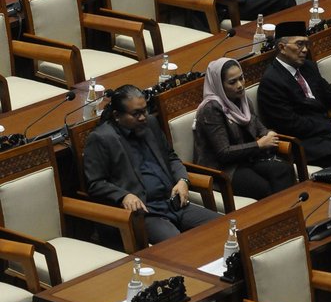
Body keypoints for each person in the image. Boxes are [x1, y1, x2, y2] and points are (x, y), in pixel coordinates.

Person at [83, 84, 219, 244]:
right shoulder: (102, 138)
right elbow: (95, 183)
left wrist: (183, 180)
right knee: (179, 246)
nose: (142, 117)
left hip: (173, 202)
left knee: (221, 227)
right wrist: (124, 195)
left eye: (144, 111)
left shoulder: (151, 123)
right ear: (117, 115)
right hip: (145, 212)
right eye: (136, 114)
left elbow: (171, 157)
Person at [257, 21, 331, 166]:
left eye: (306, 44)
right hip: (306, 143)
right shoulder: (271, 82)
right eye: (299, 44)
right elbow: (291, 124)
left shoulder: (307, 67)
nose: (305, 50)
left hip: (329, 134)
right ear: (282, 47)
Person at [194, 58, 295, 199]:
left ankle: (290, 214)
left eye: (241, 78)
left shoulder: (242, 100)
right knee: (262, 188)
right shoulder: (211, 109)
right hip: (223, 169)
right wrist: (259, 145)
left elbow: (259, 127)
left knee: (284, 170)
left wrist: (268, 133)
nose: (240, 85)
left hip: (247, 159)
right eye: (232, 82)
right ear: (219, 85)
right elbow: (223, 152)